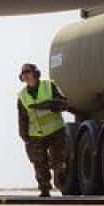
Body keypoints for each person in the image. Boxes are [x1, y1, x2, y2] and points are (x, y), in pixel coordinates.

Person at [16, 63, 70, 197]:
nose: (26, 76)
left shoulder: (49, 86)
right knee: (39, 164)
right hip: (35, 135)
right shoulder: (22, 96)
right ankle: (44, 189)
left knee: (58, 162)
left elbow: (64, 102)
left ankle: (61, 183)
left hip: (55, 131)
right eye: (23, 74)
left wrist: (53, 105)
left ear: (35, 74)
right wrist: (24, 136)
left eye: (28, 72)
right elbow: (22, 118)